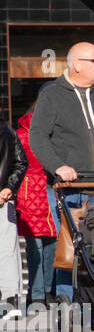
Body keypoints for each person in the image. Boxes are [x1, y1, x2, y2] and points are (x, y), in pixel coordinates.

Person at [29, 42, 94, 185]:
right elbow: (38, 135)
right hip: (66, 186)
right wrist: (57, 166)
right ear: (77, 65)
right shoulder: (51, 95)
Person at [15, 104, 57, 306]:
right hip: (32, 191)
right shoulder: (24, 134)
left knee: (49, 244)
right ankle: (40, 292)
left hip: (46, 191)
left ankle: (44, 291)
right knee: (37, 245)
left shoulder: (54, 129)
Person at [0, 118, 28, 320]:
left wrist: (8, 188)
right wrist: (9, 188)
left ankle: (11, 300)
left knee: (6, 250)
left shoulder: (6, 131)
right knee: (7, 251)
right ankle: (11, 301)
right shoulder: (7, 130)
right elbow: (21, 162)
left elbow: (20, 162)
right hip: (4, 197)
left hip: (3, 199)